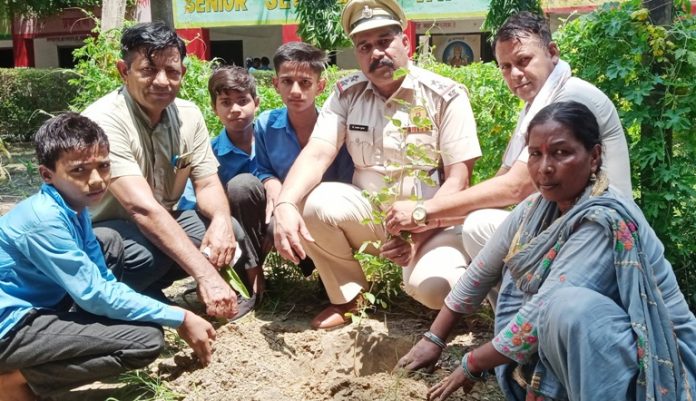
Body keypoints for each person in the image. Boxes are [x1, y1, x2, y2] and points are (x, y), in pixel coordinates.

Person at [396, 101, 696, 401]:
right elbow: (481, 272)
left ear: (594, 157)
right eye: (535, 154)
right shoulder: (536, 209)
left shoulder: (605, 220)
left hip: (655, 360)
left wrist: (471, 364)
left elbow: (542, 312)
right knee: (541, 290)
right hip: (591, 348)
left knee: (567, 308)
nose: (545, 167)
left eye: (561, 153)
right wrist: (433, 339)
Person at [273, 0, 481, 329]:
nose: (376, 53)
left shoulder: (445, 96)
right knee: (311, 202)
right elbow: (317, 152)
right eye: (364, 46)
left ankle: (448, 271)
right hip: (370, 216)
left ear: (406, 43)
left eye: (384, 41)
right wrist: (284, 204)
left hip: (432, 219)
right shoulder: (346, 94)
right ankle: (350, 298)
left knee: (435, 291)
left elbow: (459, 181)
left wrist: (417, 235)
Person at [384, 11, 632, 283]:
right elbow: (503, 179)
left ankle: (523, 318)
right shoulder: (538, 102)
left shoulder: (570, 99)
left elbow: (515, 187)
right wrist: (426, 227)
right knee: (477, 222)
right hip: (568, 227)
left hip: (599, 234)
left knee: (479, 227)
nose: (515, 74)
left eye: (524, 61)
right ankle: (518, 317)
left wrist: (422, 211)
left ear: (552, 52)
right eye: (505, 66)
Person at [0, 113, 216, 401]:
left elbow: (101, 279)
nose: (96, 180)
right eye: (79, 170)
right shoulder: (43, 219)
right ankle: (13, 381)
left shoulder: (74, 207)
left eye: (103, 166)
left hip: (38, 306)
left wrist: (160, 312)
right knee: (145, 341)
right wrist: (179, 316)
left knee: (109, 243)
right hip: (10, 325)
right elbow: (94, 293)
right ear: (46, 174)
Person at [83, 22, 250, 319]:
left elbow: (208, 183)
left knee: (228, 234)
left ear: (182, 73)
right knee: (148, 254)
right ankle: (115, 301)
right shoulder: (103, 121)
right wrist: (205, 275)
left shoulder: (189, 115)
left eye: (172, 71)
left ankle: (148, 291)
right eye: (148, 70)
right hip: (104, 231)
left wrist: (222, 220)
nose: (162, 81)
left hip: (161, 219)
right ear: (124, 71)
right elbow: (142, 209)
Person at [254, 41, 354, 277]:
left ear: (320, 87)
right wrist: (272, 183)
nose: (295, 91)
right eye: (287, 81)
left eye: (305, 83)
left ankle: (331, 270)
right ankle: (253, 276)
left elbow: (346, 183)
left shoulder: (336, 128)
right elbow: (262, 168)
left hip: (324, 215)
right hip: (282, 210)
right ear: (275, 84)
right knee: (242, 189)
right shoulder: (265, 124)